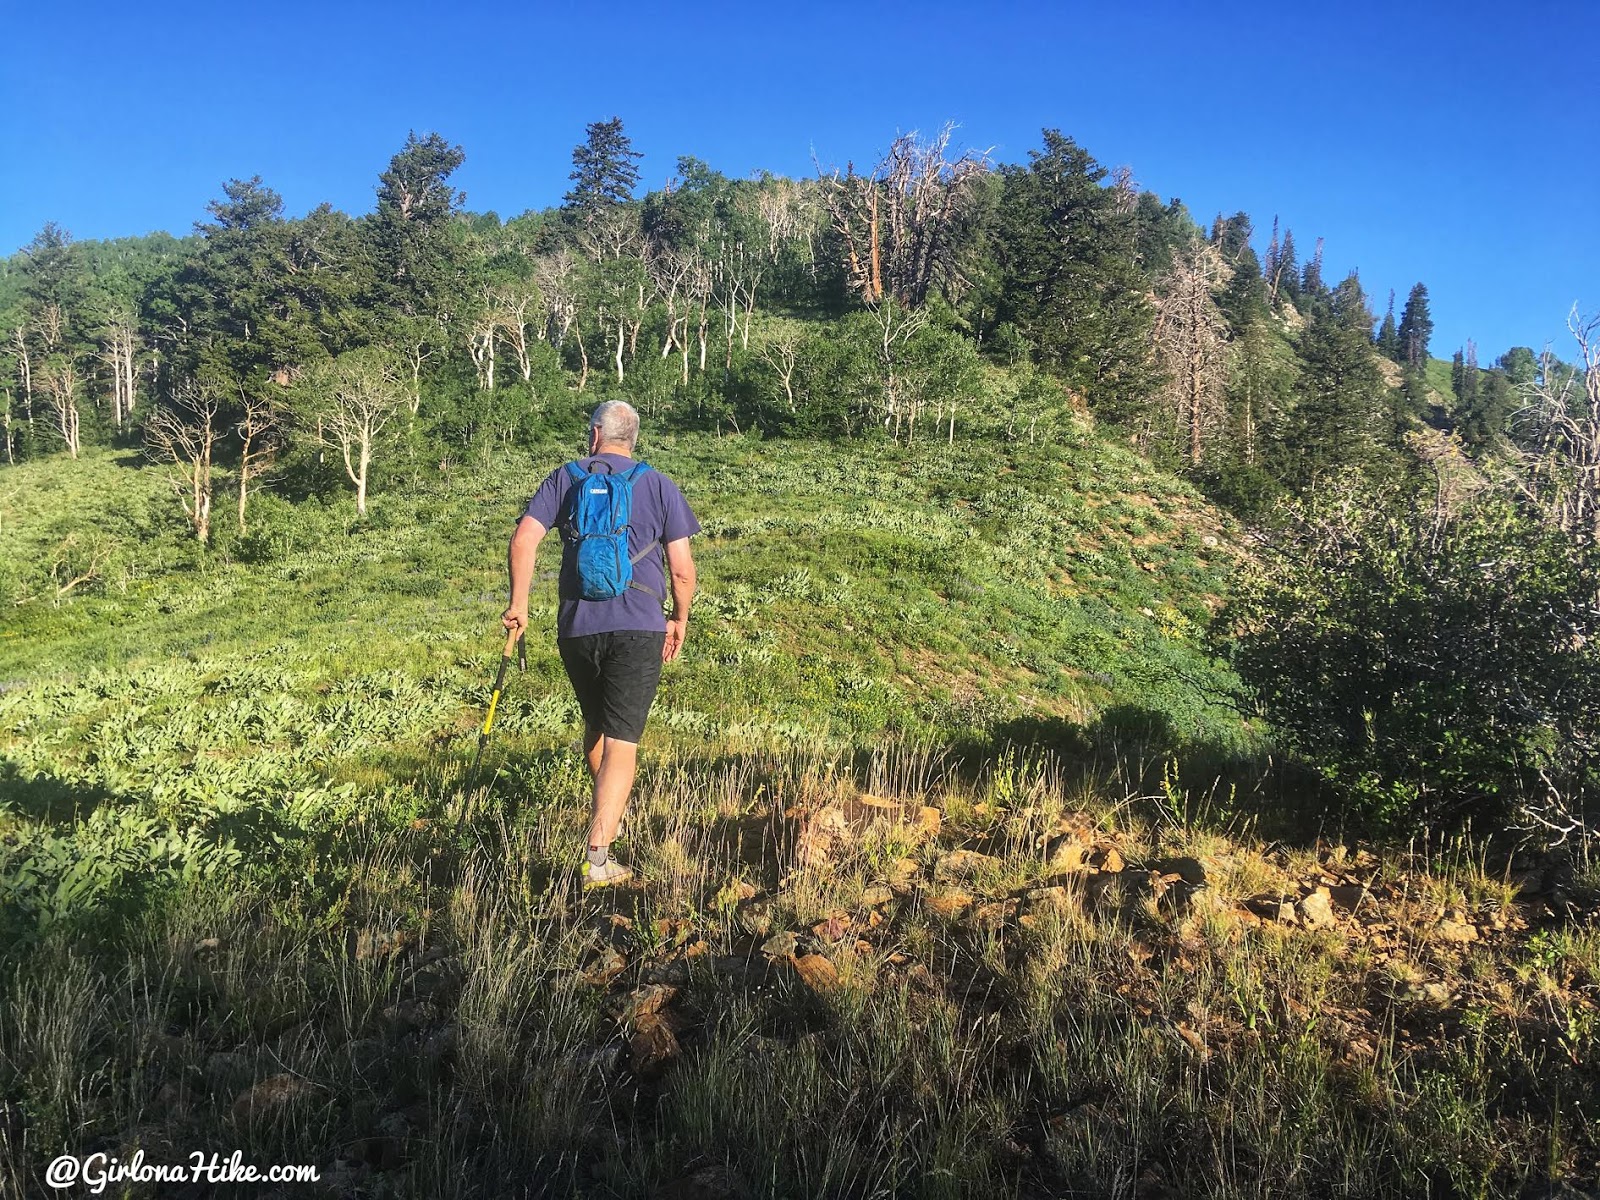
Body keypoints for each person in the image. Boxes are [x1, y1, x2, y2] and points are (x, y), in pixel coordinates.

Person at [502, 400, 699, 888]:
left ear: (595, 435)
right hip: (639, 623)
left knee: (597, 726)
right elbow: (682, 570)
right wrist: (679, 618)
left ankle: (603, 819)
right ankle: (597, 858)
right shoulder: (657, 483)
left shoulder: (564, 478)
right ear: (632, 438)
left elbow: (524, 540)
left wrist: (519, 605)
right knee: (623, 740)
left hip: (576, 626)